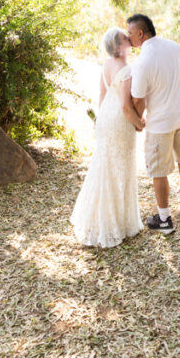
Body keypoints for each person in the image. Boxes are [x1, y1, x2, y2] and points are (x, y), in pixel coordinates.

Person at [69, 27, 145, 248]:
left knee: (104, 168)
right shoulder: (126, 69)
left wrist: (101, 121)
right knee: (120, 169)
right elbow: (125, 106)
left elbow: (102, 97)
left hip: (105, 120)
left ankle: (97, 219)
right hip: (120, 123)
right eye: (125, 37)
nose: (129, 38)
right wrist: (138, 124)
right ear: (118, 46)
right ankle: (115, 225)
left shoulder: (107, 64)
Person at [127, 12, 180, 234]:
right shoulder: (172, 46)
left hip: (161, 123)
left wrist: (138, 122)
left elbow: (138, 99)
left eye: (130, 33)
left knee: (159, 171)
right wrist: (176, 94)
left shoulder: (141, 62)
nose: (129, 38)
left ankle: (164, 219)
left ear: (140, 33)